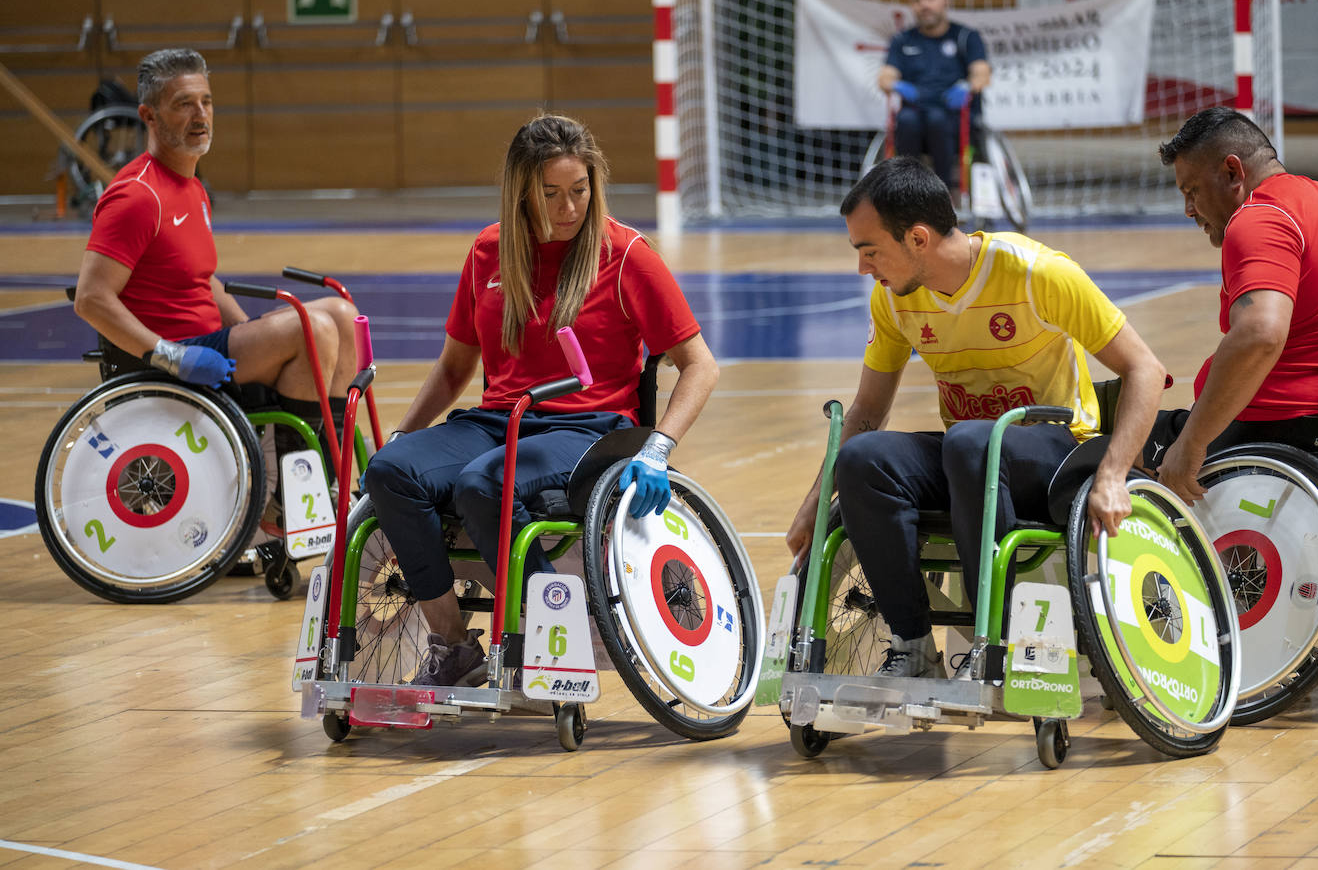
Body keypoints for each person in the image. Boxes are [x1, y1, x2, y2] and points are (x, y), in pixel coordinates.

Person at [363, 114, 719, 687]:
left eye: (580, 191)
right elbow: (456, 366)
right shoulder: (488, 252)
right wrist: (406, 434)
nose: (569, 207)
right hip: (500, 419)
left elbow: (699, 365)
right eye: (550, 194)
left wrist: (658, 447)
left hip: (589, 429)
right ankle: (454, 645)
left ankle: (557, 627)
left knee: (484, 484)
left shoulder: (626, 254)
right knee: (389, 471)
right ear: (520, 192)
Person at [785, 156, 1166, 679]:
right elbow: (867, 412)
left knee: (969, 443)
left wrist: (1114, 475)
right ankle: (913, 645)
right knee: (862, 458)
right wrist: (813, 503)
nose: (863, 268)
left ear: (917, 239)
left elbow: (1145, 369)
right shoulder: (893, 301)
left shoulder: (1037, 273)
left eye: (869, 251)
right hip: (971, 460)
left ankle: (1001, 646)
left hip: (1054, 456)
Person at [72, 48, 358, 433]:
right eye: (184, 104)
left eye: (206, 102)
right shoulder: (138, 196)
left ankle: (329, 466)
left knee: (342, 316)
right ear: (149, 116)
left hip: (213, 342)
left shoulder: (192, 188)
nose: (201, 114)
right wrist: (169, 355)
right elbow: (90, 298)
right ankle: (288, 479)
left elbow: (202, 279)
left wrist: (251, 330)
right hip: (173, 355)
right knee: (315, 329)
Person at [1150, 107, 1318, 502]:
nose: (1189, 210)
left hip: (1298, 438)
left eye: (1192, 192)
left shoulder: (1260, 218)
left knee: (1124, 446)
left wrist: (1192, 442)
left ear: (1233, 172)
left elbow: (1260, 333)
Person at [877, 0, 991, 195]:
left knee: (937, 120)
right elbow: (884, 78)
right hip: (916, 116)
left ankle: (943, 194)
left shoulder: (966, 37)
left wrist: (968, 86)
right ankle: (907, 193)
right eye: (917, 0)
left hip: (954, 117)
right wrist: (896, 84)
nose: (923, 5)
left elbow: (982, 74)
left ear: (944, 1)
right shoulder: (902, 40)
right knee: (906, 120)